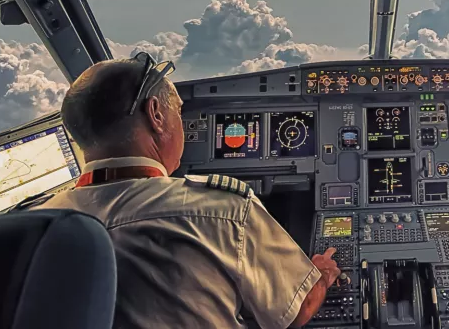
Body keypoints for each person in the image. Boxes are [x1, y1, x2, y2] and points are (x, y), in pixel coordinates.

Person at [35, 53, 340, 329]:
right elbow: (295, 311)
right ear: (155, 114)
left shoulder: (32, 228)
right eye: (178, 111)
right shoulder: (224, 210)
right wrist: (322, 274)